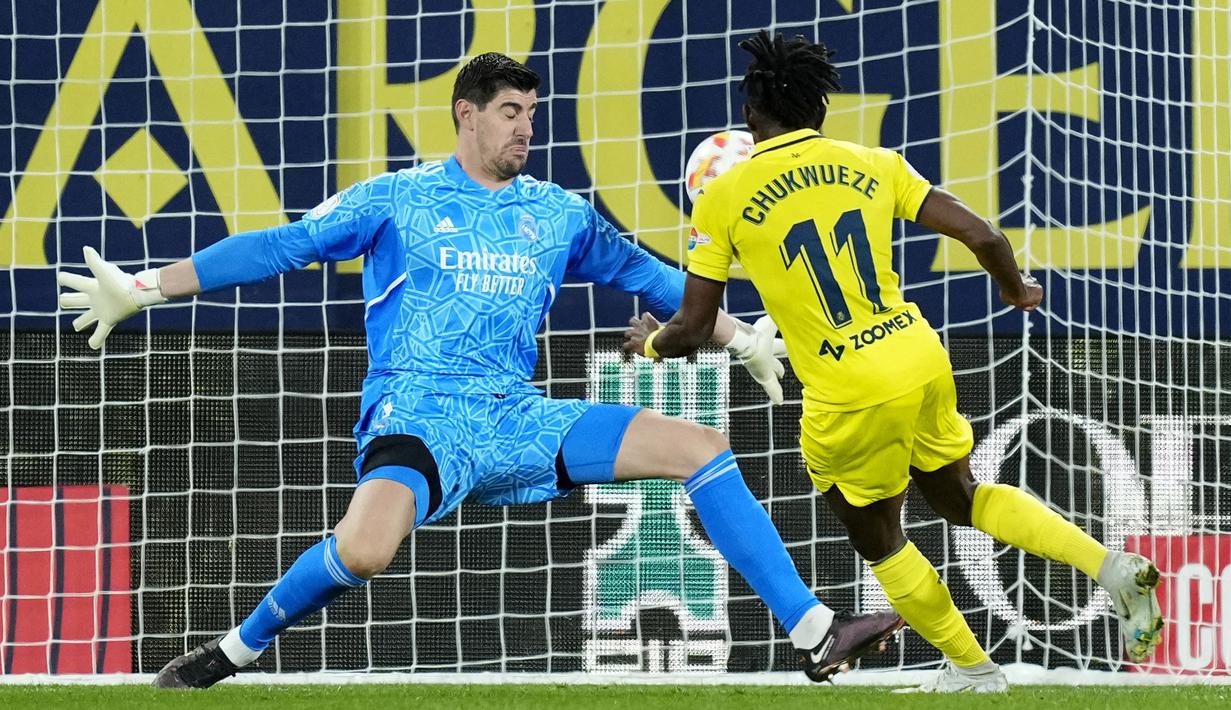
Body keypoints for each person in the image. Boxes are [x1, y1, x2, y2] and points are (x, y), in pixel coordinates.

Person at [57, 52, 904, 688]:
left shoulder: (557, 213)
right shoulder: (397, 198)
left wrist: (743, 338)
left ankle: (813, 632)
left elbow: (654, 280)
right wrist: (145, 287)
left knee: (700, 447)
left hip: (515, 417)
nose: (524, 127)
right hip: (419, 414)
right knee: (365, 551)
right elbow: (278, 247)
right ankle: (233, 651)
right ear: (466, 115)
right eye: (508, 112)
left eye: (530, 112)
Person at [625, 30, 1164, 693]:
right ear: (820, 109)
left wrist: (649, 343)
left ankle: (974, 672)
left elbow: (691, 327)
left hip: (846, 387)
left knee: (878, 537)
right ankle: (1109, 567)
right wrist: (1015, 289)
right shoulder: (873, 162)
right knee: (960, 497)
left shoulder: (724, 196)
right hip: (917, 355)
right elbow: (982, 233)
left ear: (749, 114)